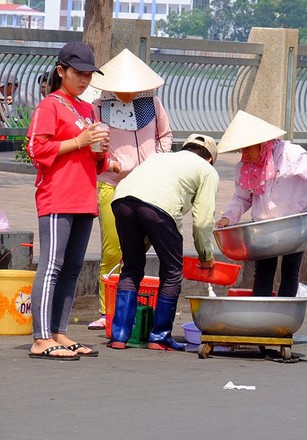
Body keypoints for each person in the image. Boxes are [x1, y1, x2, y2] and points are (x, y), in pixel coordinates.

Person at [26, 41, 110, 360]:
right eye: (79, 73)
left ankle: (59, 332)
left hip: (84, 196)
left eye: (89, 74)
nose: (85, 80)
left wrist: (101, 153)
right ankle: (41, 337)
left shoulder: (87, 109)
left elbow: (95, 160)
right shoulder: (50, 105)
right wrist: (79, 140)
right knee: (52, 265)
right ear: (62, 71)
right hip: (57, 196)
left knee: (72, 268)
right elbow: (36, 149)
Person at [86, 48, 173, 331]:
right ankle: (106, 310)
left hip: (148, 186)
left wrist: (156, 160)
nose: (126, 93)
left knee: (141, 249)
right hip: (112, 184)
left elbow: (165, 136)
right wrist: (109, 163)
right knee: (112, 248)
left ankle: (133, 304)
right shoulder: (97, 107)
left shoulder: (154, 105)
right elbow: (94, 145)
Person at [107, 134, 219, 351]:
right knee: (172, 273)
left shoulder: (159, 157)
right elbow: (204, 220)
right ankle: (160, 337)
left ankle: (119, 335)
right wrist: (206, 256)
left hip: (122, 200)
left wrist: (133, 249)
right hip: (160, 208)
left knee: (131, 268)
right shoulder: (207, 170)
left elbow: (143, 206)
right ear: (210, 159)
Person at [216, 111, 307, 297]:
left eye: (247, 149)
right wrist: (227, 217)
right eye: (241, 150)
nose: (244, 154)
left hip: (296, 223)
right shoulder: (244, 168)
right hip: (265, 228)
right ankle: (260, 315)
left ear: (262, 145)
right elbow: (242, 198)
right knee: (263, 271)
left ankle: (285, 315)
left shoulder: (290, 154)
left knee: (290, 270)